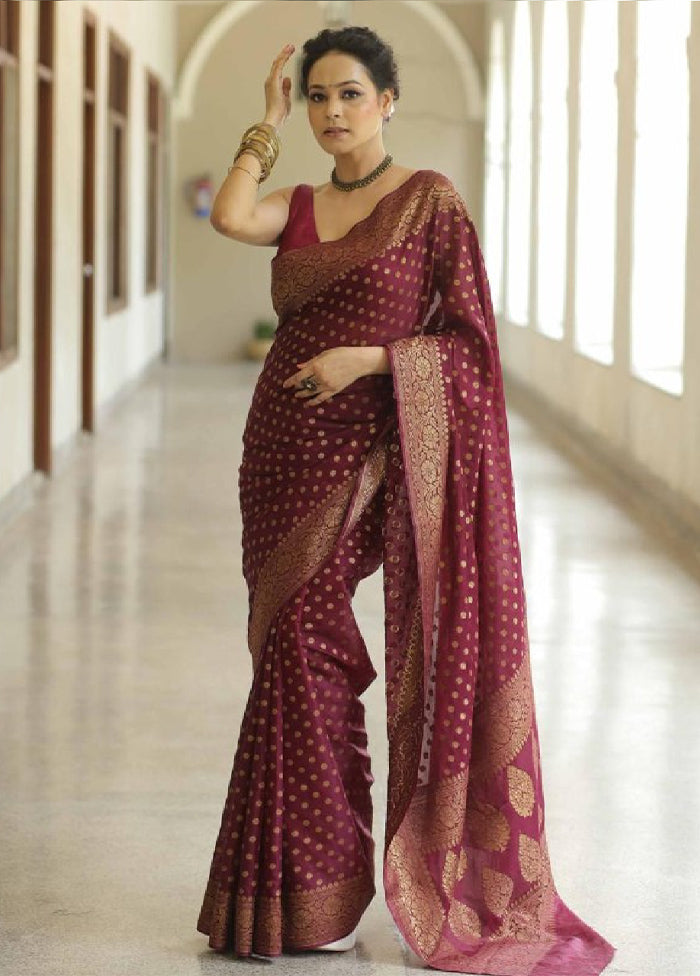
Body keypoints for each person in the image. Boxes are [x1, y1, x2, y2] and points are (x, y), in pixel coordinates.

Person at [196, 25, 616, 975]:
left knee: (309, 643)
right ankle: (291, 886)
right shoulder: (296, 202)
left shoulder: (429, 203)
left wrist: (374, 360)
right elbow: (227, 216)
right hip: (280, 452)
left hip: (370, 452)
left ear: (387, 101)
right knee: (290, 650)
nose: (331, 113)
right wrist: (261, 124)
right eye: (316, 98)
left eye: (349, 94)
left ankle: (324, 884)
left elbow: (471, 345)